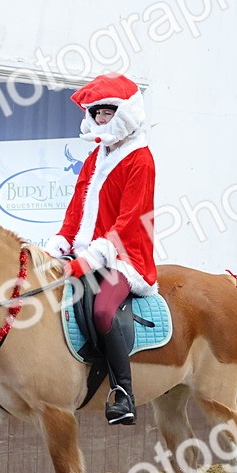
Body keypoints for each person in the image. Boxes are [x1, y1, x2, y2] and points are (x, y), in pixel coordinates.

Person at [45, 73, 157, 426]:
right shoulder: (96, 157)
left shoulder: (141, 159)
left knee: (103, 312)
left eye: (105, 113)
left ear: (124, 113)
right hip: (84, 251)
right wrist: (60, 242)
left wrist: (89, 259)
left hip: (125, 257)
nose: (98, 120)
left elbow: (128, 223)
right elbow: (76, 208)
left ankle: (123, 393)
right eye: (95, 114)